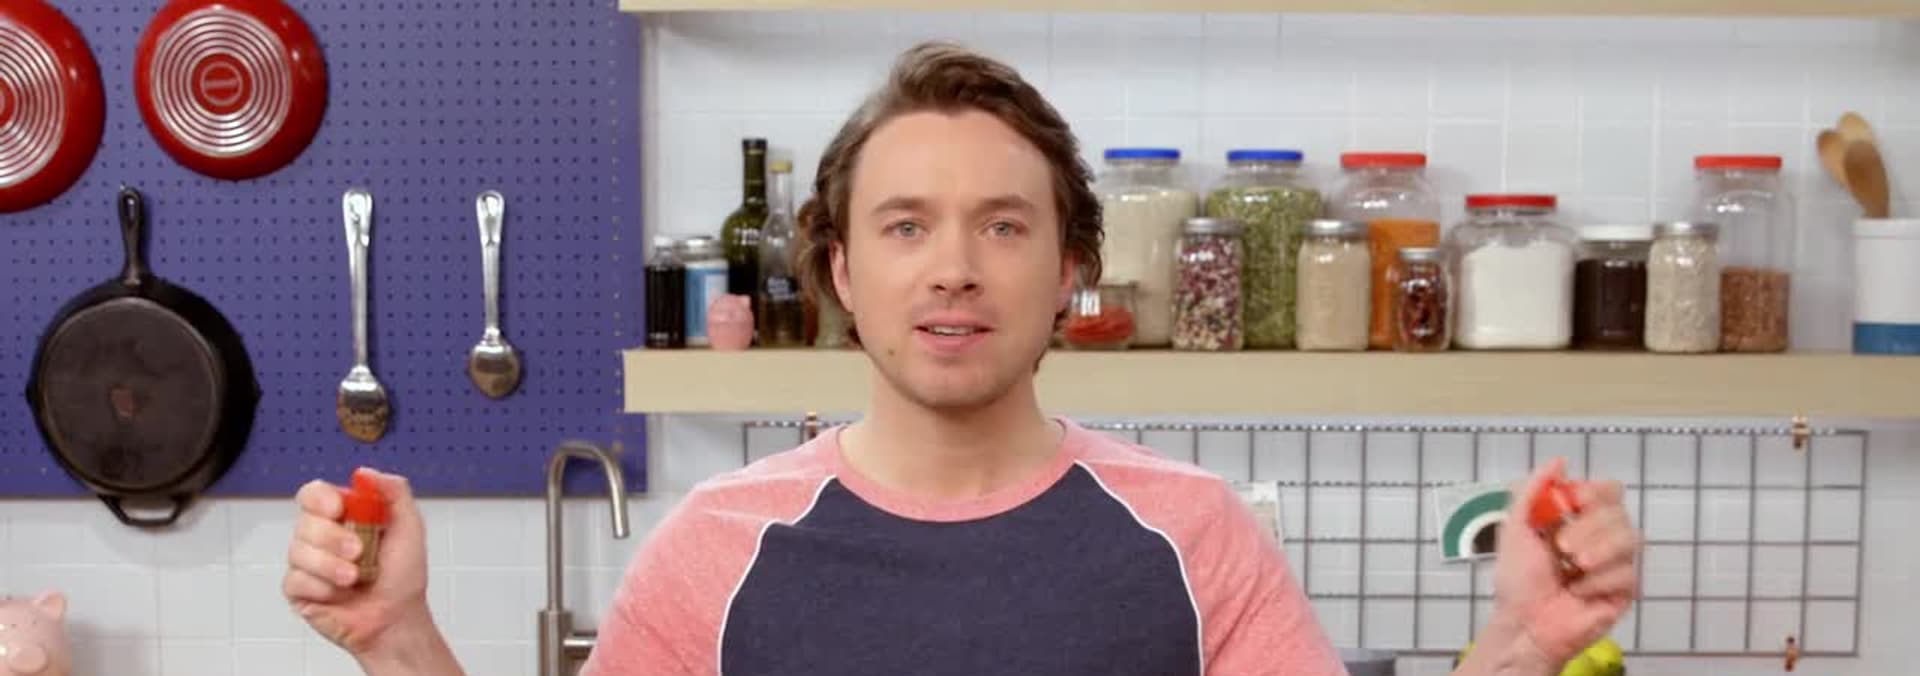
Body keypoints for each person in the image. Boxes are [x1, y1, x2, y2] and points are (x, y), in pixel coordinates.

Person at [282, 42, 1642, 676]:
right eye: (905, 226)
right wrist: (399, 639)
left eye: (1003, 225)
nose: (953, 268)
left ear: (1069, 273)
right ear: (840, 274)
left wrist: (1523, 642)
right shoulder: (718, 547)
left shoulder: (1192, 535)